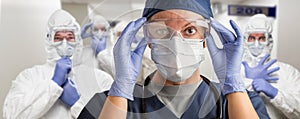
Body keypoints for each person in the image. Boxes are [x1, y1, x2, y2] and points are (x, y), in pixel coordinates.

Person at [79, 0, 270, 119]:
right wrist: (120, 92)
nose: (177, 42)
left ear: (205, 38)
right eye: (162, 31)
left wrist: (233, 84)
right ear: (149, 40)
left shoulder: (242, 102)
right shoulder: (105, 104)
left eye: (189, 30)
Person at [3, 10, 113, 119]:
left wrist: (78, 104)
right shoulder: (30, 77)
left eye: (70, 37)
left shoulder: (100, 79)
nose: (64, 44)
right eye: (58, 38)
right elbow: (10, 115)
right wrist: (53, 86)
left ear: (78, 40)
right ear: (49, 40)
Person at [241, 14, 300, 119]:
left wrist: (275, 93)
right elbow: (220, 107)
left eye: (262, 38)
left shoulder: (288, 72)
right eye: (251, 38)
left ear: (269, 41)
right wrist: (249, 83)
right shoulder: (233, 71)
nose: (256, 43)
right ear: (245, 40)